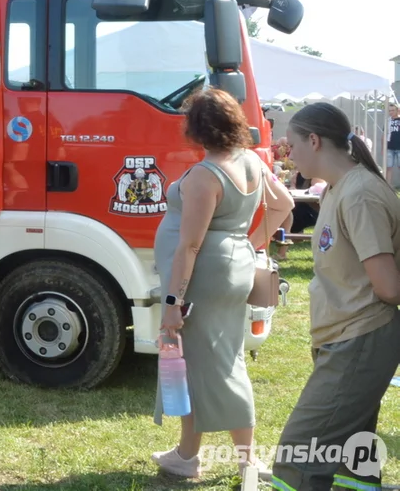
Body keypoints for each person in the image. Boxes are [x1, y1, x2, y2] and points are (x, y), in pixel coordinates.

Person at [150, 88, 293, 481]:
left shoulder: (204, 175)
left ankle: (246, 461)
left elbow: (190, 245)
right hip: (232, 266)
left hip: (202, 278)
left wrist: (171, 303)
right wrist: (247, 242)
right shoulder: (249, 160)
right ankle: (187, 455)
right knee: (210, 362)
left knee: (218, 366)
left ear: (198, 129)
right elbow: (284, 206)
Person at [269, 103, 400, 491]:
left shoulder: (359, 195)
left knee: (296, 461)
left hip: (359, 337)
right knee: (352, 469)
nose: (287, 154)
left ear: (314, 140)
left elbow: (389, 287)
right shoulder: (340, 190)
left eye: (291, 146)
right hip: (343, 338)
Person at [387, 103, 400, 189]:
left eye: (392, 110)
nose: (391, 112)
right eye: (389, 110)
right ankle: (388, 186)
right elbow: (385, 134)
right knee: (389, 167)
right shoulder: (388, 121)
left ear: (397, 110)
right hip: (390, 147)